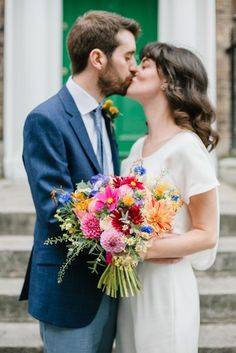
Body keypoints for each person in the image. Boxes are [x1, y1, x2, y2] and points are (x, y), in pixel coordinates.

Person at [19, 10, 140, 353]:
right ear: (98, 58)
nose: (135, 66)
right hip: (67, 288)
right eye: (128, 56)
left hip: (108, 285)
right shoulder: (46, 119)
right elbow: (54, 204)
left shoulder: (104, 115)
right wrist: (124, 229)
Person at [116, 42, 219, 353]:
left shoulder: (186, 147)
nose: (134, 68)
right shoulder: (136, 148)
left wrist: (138, 248)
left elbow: (207, 234)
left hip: (166, 288)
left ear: (168, 80)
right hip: (131, 285)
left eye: (145, 65)